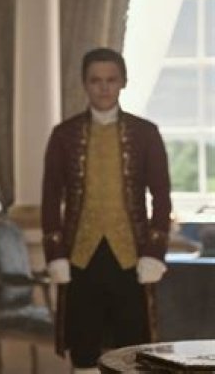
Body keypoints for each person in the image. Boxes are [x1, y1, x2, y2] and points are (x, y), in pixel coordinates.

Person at [41, 48, 172, 373]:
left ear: (123, 82)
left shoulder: (146, 133)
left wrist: (155, 251)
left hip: (133, 258)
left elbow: (161, 195)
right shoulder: (64, 135)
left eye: (111, 80)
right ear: (84, 83)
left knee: (134, 351)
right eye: (95, 80)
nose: (103, 88)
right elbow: (50, 196)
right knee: (84, 349)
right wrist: (55, 254)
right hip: (80, 259)